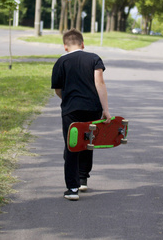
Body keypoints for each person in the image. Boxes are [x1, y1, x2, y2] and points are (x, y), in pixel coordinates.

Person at [51, 28, 111, 201]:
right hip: (92, 108)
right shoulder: (94, 58)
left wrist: (69, 99)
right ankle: (83, 177)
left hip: (71, 110)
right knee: (87, 140)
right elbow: (100, 83)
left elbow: (57, 89)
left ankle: (72, 188)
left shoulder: (61, 62)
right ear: (83, 44)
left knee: (72, 144)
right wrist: (105, 109)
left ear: (65, 47)